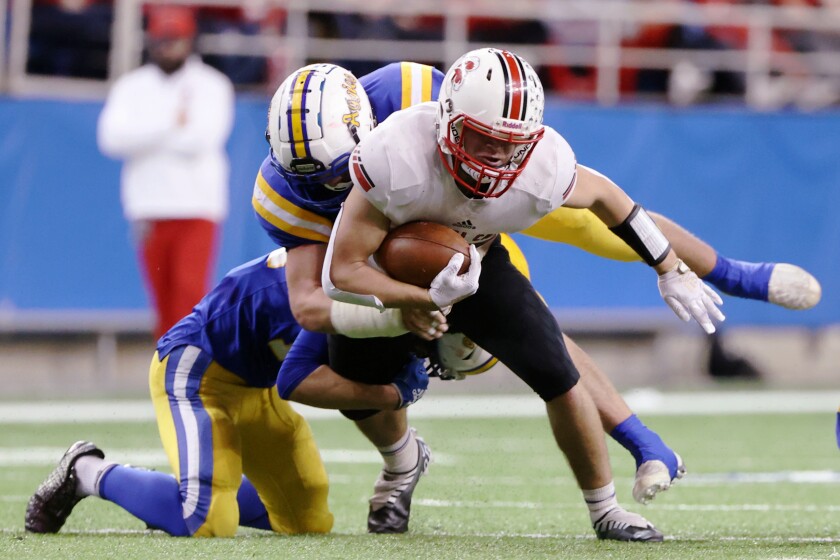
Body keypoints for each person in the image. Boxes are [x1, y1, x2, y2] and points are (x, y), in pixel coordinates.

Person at [254, 59, 821, 534]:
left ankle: (728, 276)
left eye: (336, 172)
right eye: (319, 181)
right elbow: (323, 290)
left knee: (544, 300)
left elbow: (607, 205)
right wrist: (409, 302)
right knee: (321, 372)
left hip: (468, 224)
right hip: (389, 250)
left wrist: (669, 264)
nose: (331, 185)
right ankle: (403, 462)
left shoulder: (425, 101)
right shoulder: (309, 189)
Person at [24, 248, 430, 537]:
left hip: (256, 387)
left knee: (306, 520)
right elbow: (297, 381)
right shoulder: (341, 290)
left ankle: (178, 495)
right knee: (206, 521)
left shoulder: (356, 265)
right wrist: (390, 395)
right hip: (196, 374)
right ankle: (86, 472)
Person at [97, 5, 235, 339]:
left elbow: (201, 139)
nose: (167, 48)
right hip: (148, 205)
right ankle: (167, 372)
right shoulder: (132, 86)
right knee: (161, 300)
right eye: (161, 40)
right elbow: (111, 139)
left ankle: (189, 368)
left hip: (196, 204)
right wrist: (170, 124)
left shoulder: (211, 85)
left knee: (189, 295)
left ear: (190, 41)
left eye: (175, 40)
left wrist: (144, 135)